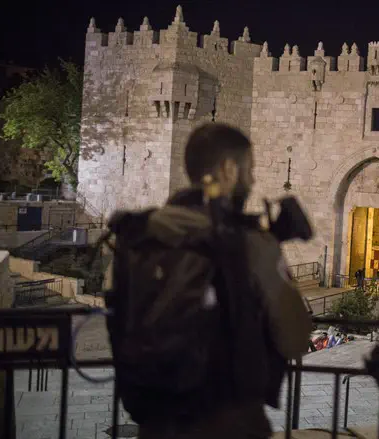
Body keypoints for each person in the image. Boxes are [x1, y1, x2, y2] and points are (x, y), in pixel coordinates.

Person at [134, 123, 312, 439]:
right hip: (231, 423)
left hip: (157, 423)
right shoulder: (251, 244)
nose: (253, 179)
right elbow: (296, 339)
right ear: (229, 170)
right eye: (250, 170)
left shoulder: (140, 236)